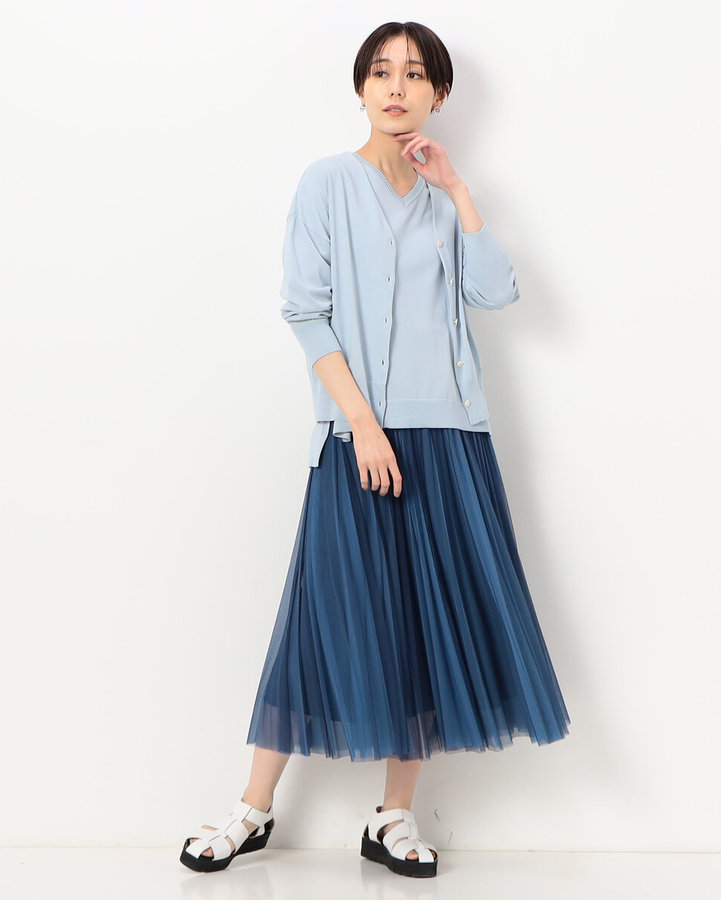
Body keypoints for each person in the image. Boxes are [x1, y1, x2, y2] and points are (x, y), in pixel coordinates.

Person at [180, 20, 571, 879]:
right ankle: (252, 808)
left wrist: (458, 188)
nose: (397, 87)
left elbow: (496, 291)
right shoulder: (326, 183)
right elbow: (305, 310)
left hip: (450, 438)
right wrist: (361, 423)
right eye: (382, 72)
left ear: (439, 94)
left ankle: (393, 815)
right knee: (319, 617)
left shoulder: (442, 198)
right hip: (358, 437)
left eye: (416, 74)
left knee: (424, 629)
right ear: (360, 88)